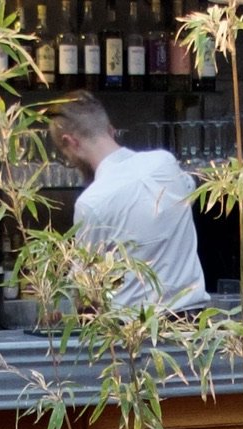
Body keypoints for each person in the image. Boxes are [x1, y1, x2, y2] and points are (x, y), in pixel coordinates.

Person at [47, 91, 210, 313]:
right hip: (194, 326)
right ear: (111, 130)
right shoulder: (165, 163)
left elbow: (88, 294)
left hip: (133, 336)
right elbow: (191, 188)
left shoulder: (92, 202)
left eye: (64, 154)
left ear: (70, 142)